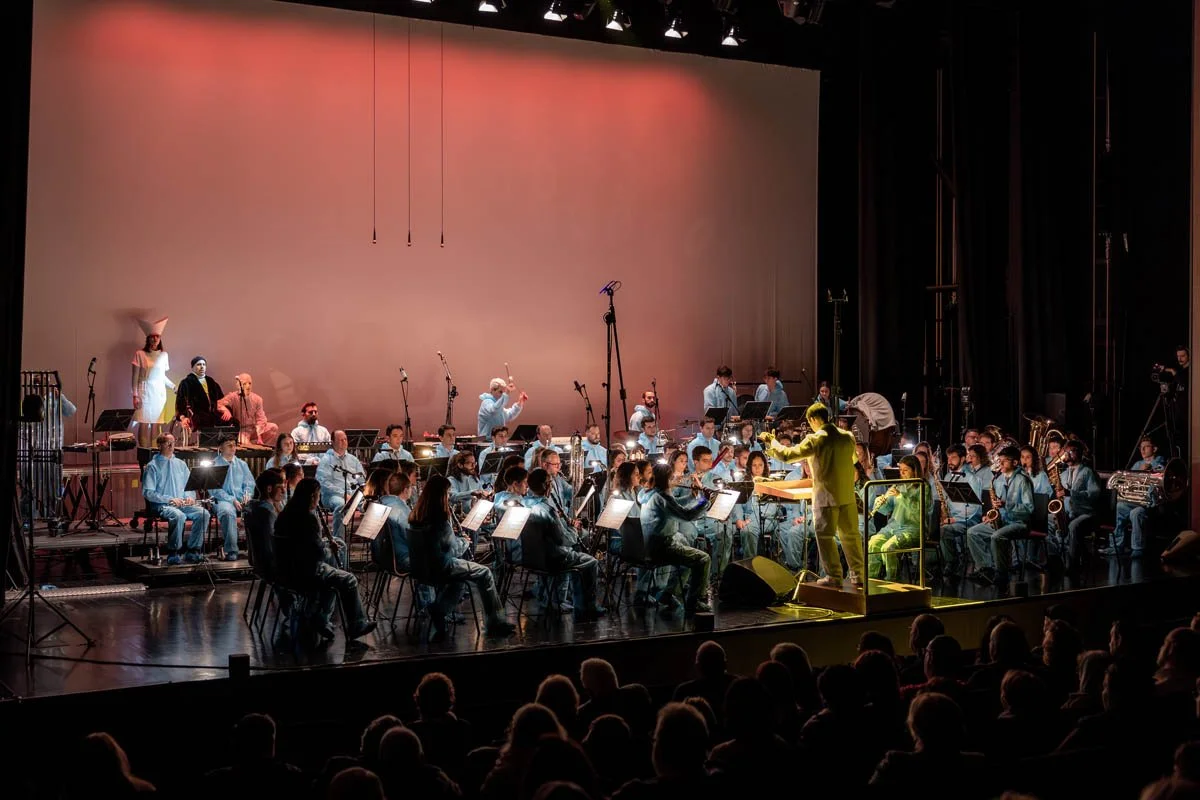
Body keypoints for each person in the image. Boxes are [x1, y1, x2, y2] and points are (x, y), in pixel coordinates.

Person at [761, 402, 865, 588]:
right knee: (851, 536)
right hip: (847, 496)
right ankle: (858, 575)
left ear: (813, 419)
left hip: (826, 496)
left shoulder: (815, 439)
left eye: (810, 422)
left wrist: (772, 441)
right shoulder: (847, 437)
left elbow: (787, 455)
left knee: (825, 537)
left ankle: (834, 575)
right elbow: (854, 460)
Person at [407, 475, 515, 641]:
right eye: (448, 493)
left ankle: (440, 610)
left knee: (458, 583)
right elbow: (454, 549)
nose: (449, 497)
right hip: (443, 565)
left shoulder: (415, 517)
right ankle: (495, 622)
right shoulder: (440, 520)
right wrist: (464, 540)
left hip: (421, 567)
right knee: (485, 573)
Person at [272, 477, 376, 641]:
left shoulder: (284, 515)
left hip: (285, 570)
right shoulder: (309, 519)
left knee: (333, 575)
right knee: (347, 579)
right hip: (305, 572)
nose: (318, 500)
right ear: (313, 496)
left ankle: (321, 619)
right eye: (318, 496)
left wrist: (325, 543)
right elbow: (317, 553)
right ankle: (357, 624)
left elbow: (304, 545)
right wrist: (329, 547)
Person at [526, 468, 605, 619]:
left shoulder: (524, 504)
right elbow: (562, 540)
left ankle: (555, 598)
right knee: (591, 562)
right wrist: (574, 530)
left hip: (532, 557)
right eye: (550, 483)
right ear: (546, 486)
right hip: (552, 557)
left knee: (577, 556)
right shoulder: (548, 510)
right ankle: (586, 607)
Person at [639, 461, 714, 616]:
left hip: (649, 545)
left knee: (688, 556)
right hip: (662, 547)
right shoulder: (662, 497)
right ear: (666, 479)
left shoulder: (648, 494)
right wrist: (705, 501)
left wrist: (691, 496)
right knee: (703, 559)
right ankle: (694, 602)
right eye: (672, 477)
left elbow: (675, 506)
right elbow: (686, 516)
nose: (675, 480)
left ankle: (667, 594)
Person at [965, 446, 1033, 588]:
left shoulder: (1023, 480)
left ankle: (1002, 573)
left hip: (1020, 522)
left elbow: (1029, 509)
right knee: (973, 532)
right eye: (999, 461)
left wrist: (1007, 505)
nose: (1000, 464)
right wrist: (991, 515)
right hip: (1002, 521)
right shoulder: (999, 479)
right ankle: (986, 568)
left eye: (1004, 461)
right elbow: (996, 504)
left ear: (1015, 463)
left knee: (997, 536)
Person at [141, 433, 211, 565]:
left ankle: (193, 550)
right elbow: (148, 492)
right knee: (178, 516)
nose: (171, 445)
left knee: (204, 513)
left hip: (182, 504)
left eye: (173, 442)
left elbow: (189, 487)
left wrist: (190, 498)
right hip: (163, 505)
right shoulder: (153, 466)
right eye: (168, 442)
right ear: (160, 445)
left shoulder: (181, 464)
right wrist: (169, 499)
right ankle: (174, 552)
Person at [868, 455, 928, 581]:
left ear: (914, 470)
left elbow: (918, 511)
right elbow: (886, 511)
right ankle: (871, 579)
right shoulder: (898, 485)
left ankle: (892, 580)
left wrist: (901, 496)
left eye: (905, 470)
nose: (902, 473)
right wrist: (881, 502)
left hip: (913, 528)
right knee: (873, 542)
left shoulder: (923, 487)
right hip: (894, 526)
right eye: (900, 470)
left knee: (888, 548)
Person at [1107, 436, 1166, 557]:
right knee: (1121, 506)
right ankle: (1118, 545)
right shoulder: (1138, 464)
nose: (1142, 450)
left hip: (1151, 503)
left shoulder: (1160, 462)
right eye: (1141, 447)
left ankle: (1138, 549)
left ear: (1154, 449)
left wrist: (1148, 470)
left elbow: (1160, 478)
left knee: (1136, 512)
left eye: (1146, 447)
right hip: (1137, 501)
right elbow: (1130, 483)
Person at [1049, 440, 1101, 572]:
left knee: (1073, 526)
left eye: (1071, 451)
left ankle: (1071, 565)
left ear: (1080, 453)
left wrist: (1071, 493)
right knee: (1049, 521)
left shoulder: (1087, 472)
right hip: (1068, 511)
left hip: (1085, 513)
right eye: (1066, 452)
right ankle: (1056, 558)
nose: (1067, 455)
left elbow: (1094, 494)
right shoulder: (1063, 473)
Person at [938, 444, 985, 578]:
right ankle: (949, 559)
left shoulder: (972, 478)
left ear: (963, 458)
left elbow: (975, 507)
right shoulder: (948, 476)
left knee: (944, 530)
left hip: (969, 519)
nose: (949, 461)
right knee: (938, 528)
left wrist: (954, 519)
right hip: (952, 518)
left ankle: (953, 562)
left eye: (953, 458)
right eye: (948, 458)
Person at [130, 316, 174, 447]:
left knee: (156, 424)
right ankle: (143, 452)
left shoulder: (164, 355)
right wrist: (135, 395)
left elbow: (161, 376)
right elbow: (135, 377)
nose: (155, 339)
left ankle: (155, 452)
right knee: (143, 423)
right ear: (148, 338)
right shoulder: (140, 354)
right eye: (152, 336)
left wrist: (173, 386)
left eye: (157, 337)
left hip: (159, 393)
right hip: (144, 391)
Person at [316, 430, 365, 545]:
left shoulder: (353, 459)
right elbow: (323, 483)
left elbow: (362, 480)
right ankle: (339, 542)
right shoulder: (326, 460)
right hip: (333, 495)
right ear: (332, 442)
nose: (344, 442)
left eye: (345, 439)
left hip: (353, 494)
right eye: (340, 440)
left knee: (373, 506)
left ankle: (371, 543)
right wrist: (343, 494)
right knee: (342, 506)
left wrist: (362, 492)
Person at [211, 437, 255, 561]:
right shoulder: (215, 464)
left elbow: (249, 484)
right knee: (228, 512)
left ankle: (257, 549)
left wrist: (247, 495)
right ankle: (231, 550)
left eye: (234, 445)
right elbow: (214, 490)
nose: (232, 447)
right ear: (220, 448)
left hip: (240, 498)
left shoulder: (242, 464)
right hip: (223, 500)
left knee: (260, 510)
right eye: (228, 445)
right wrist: (232, 500)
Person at [217, 373, 279, 446]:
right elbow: (218, 404)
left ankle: (255, 443)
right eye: (245, 384)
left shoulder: (257, 399)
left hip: (252, 429)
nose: (248, 386)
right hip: (240, 431)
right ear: (239, 385)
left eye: (250, 383)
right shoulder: (233, 396)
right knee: (244, 442)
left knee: (273, 428)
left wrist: (260, 437)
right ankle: (249, 445)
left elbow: (260, 419)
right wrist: (225, 410)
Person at [174, 355, 224, 438]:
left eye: (204, 364)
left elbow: (221, 400)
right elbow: (180, 402)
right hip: (197, 414)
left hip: (213, 413)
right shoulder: (186, 382)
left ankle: (226, 447)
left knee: (232, 421)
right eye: (199, 364)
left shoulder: (211, 382)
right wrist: (183, 418)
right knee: (203, 420)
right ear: (193, 367)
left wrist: (225, 410)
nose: (202, 367)